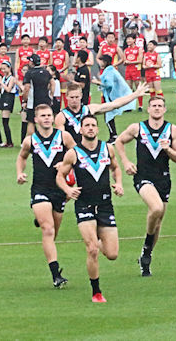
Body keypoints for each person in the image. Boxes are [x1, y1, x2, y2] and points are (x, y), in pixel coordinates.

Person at [56, 115, 123, 303]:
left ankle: (97, 240)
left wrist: (118, 183)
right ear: (81, 130)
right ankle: (96, 292)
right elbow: (60, 176)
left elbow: (116, 168)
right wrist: (68, 190)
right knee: (92, 250)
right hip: (84, 205)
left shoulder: (107, 149)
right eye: (87, 125)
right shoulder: (73, 153)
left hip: (105, 205)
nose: (90, 128)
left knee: (112, 254)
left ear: (98, 129)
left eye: (93, 125)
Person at [116, 96, 176, 278]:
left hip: (163, 179)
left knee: (158, 222)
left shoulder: (172, 130)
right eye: (153, 105)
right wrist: (126, 161)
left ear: (165, 109)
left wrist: (168, 149)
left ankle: (146, 254)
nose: (157, 108)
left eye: (160, 106)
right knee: (156, 208)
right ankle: (146, 251)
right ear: (148, 109)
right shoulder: (137, 128)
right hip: (143, 177)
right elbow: (119, 141)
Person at [16, 104, 76, 288]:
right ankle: (56, 275)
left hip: (60, 190)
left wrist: (65, 165)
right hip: (40, 189)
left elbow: (78, 155)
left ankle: (41, 218)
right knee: (48, 230)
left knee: (53, 233)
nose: (47, 118)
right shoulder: (30, 140)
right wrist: (20, 173)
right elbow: (22, 157)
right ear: (36, 119)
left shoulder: (64, 136)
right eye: (43, 116)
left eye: (49, 115)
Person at [55, 82, 148, 142]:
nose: (74, 100)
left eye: (77, 97)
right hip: (72, 152)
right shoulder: (62, 116)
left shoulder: (89, 109)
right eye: (71, 97)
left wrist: (135, 95)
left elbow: (115, 104)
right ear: (66, 97)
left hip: (90, 149)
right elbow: (62, 139)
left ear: (81, 96)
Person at [22, 54, 53, 138]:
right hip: (45, 100)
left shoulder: (29, 73)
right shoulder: (46, 72)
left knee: (31, 122)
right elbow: (52, 83)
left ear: (32, 62)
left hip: (33, 101)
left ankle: (32, 141)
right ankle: (46, 139)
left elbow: (27, 88)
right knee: (45, 121)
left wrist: (24, 100)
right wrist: (51, 95)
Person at [0, 62, 17, 147]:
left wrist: (1, 83)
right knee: (4, 121)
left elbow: (9, 89)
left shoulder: (12, 78)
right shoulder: (4, 77)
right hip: (3, 97)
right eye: (2, 69)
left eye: (4, 68)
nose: (3, 70)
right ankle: (8, 141)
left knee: (5, 121)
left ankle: (10, 142)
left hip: (8, 97)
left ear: (9, 68)